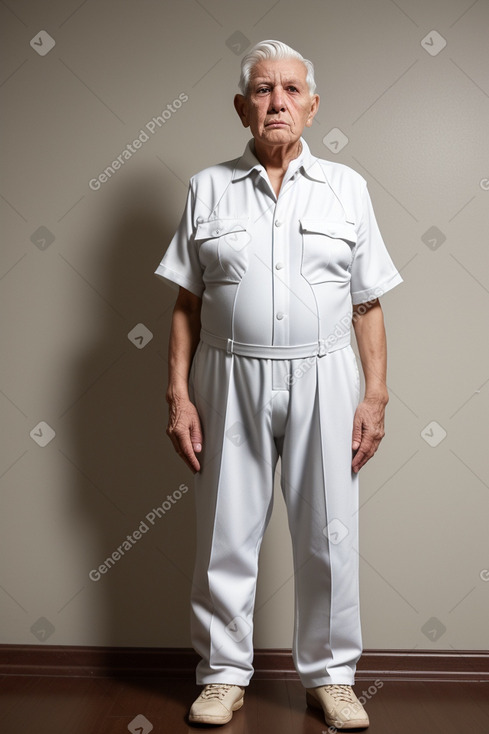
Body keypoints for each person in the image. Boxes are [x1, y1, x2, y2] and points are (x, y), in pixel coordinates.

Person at [155, 39, 403, 730]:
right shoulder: (207, 187)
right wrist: (178, 395)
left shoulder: (347, 188)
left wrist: (374, 396)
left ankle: (331, 677)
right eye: (263, 90)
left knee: (328, 533)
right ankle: (223, 676)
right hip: (225, 371)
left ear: (312, 105)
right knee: (225, 535)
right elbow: (185, 303)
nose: (277, 103)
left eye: (291, 90)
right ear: (241, 107)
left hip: (325, 371)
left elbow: (367, 303)